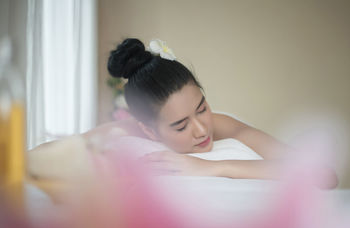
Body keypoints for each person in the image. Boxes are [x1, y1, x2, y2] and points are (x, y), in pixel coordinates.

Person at [86, 38, 337, 189]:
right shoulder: (127, 132)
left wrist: (211, 166)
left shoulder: (220, 125)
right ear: (148, 130)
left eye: (202, 108)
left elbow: (323, 174)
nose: (202, 129)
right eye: (181, 126)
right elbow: (48, 153)